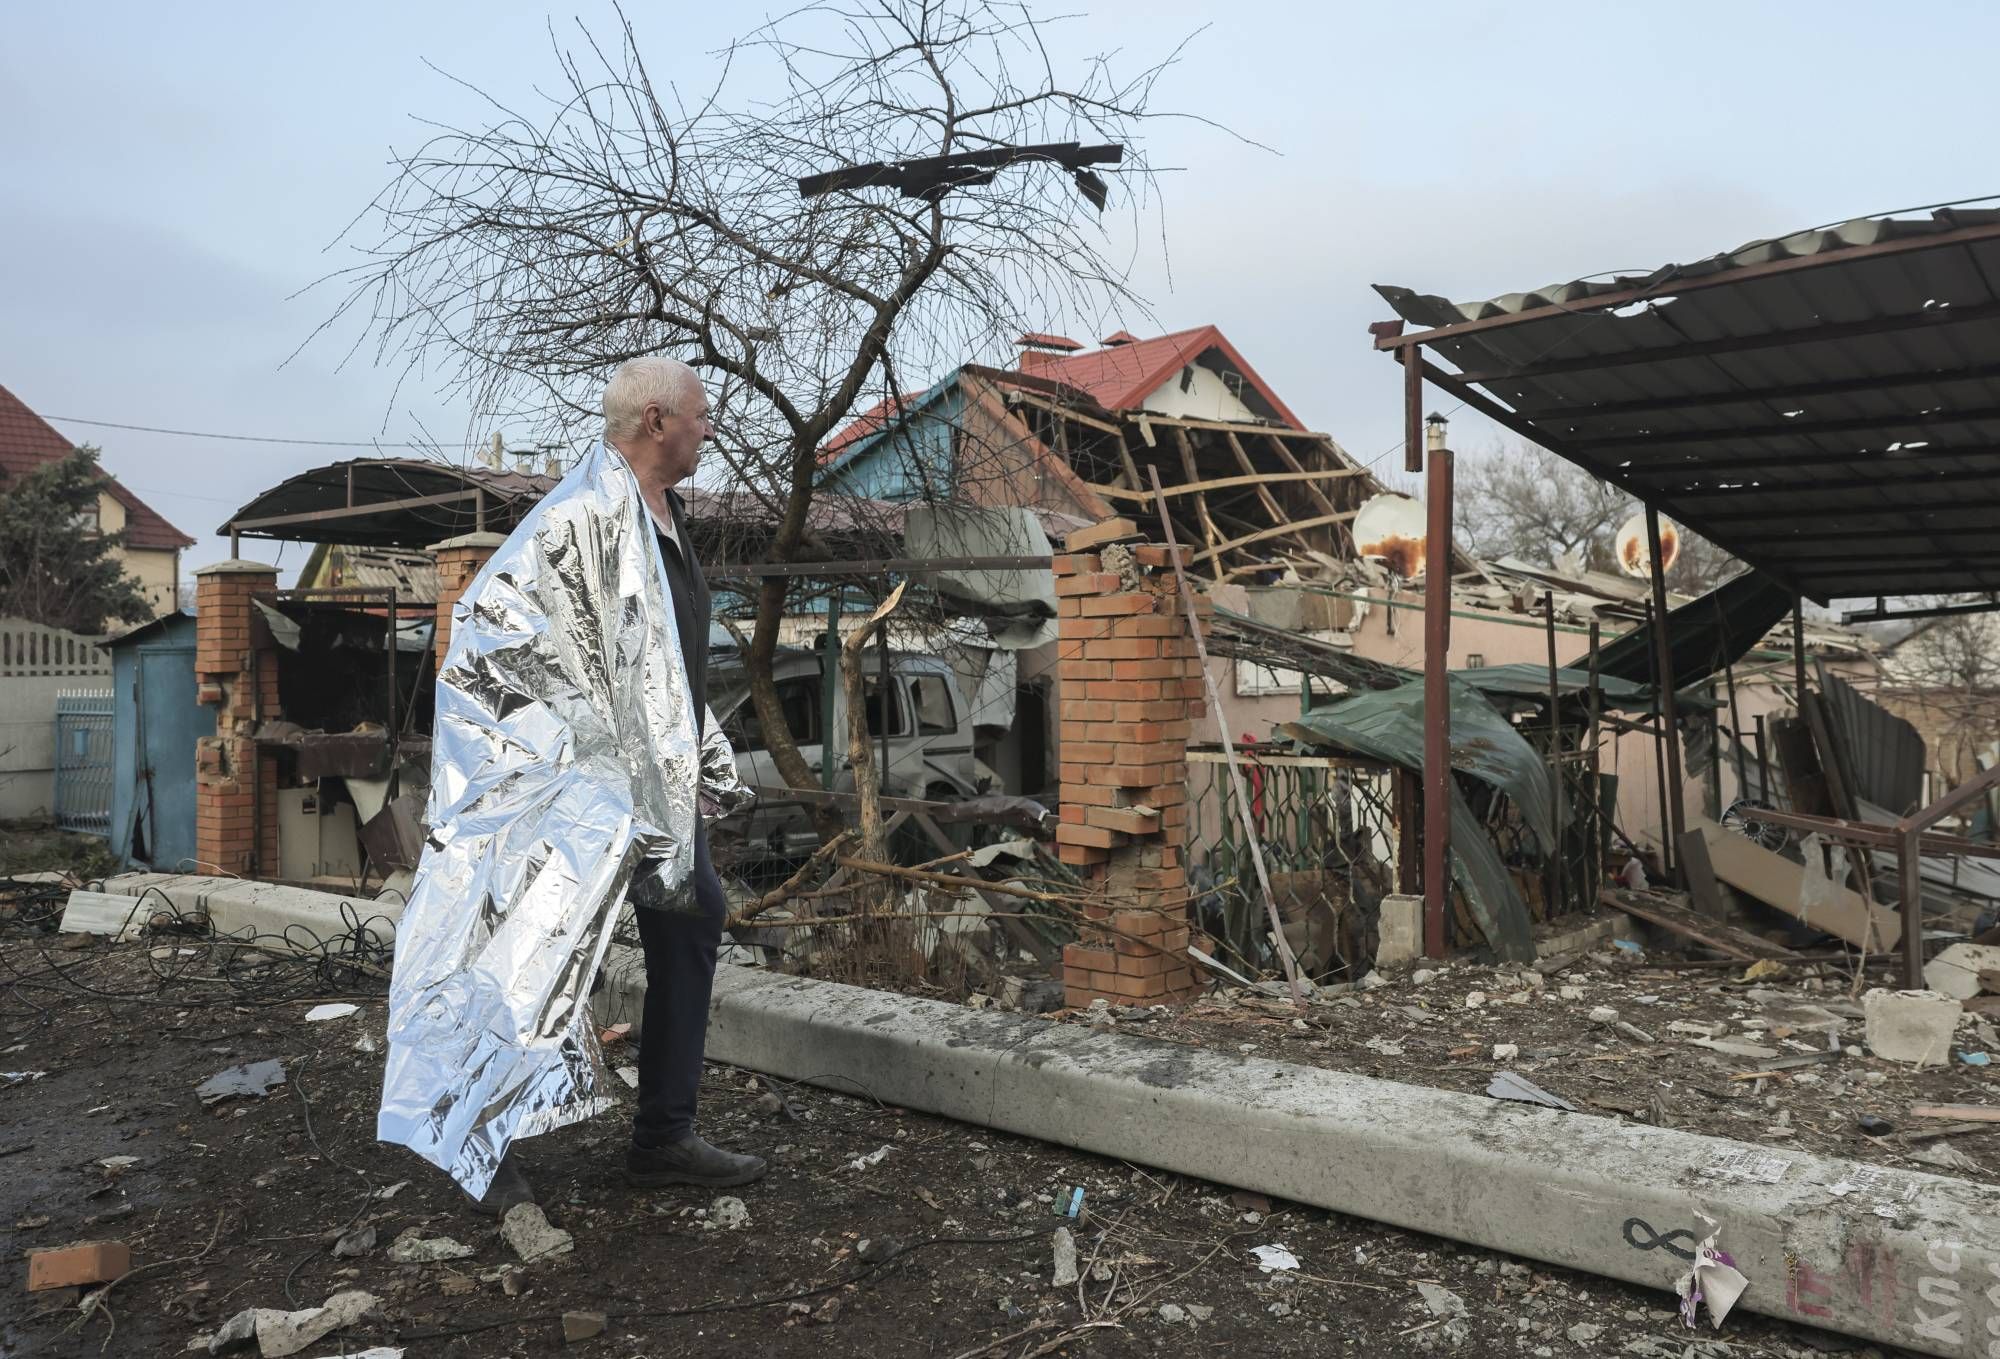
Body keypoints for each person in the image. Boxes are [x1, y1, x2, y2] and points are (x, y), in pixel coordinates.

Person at [375, 356, 763, 1214]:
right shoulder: (575, 517)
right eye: (701, 415)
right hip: (569, 790)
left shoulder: (664, 519)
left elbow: (662, 667)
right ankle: (483, 1135)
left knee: (693, 913)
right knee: (528, 948)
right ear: (656, 421)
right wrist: (572, 761)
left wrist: (690, 759)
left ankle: (664, 1137)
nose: (710, 429)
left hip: (648, 787)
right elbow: (496, 631)